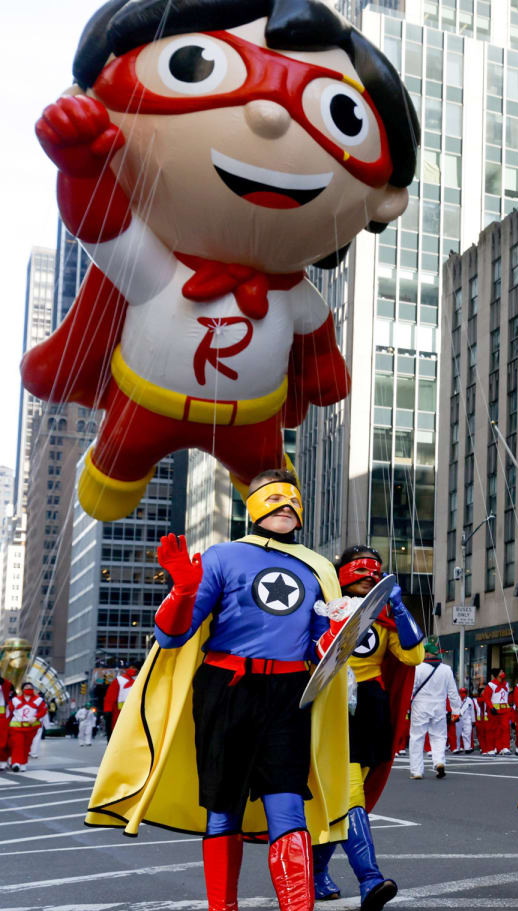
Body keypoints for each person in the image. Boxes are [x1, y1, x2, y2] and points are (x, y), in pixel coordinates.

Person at [26, 0, 417, 522]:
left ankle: (265, 501)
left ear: (386, 198)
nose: (270, 113)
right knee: (111, 480)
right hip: (146, 403)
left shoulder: (294, 296)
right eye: (193, 66)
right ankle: (116, 471)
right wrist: (80, 165)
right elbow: (101, 225)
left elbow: (320, 341)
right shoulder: (156, 270)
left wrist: (325, 369)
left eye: (338, 115)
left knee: (272, 491)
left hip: (254, 420)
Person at [86, 469, 350, 911]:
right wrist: (183, 590)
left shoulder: (317, 567)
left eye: (293, 500)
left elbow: (324, 650)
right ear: (252, 506)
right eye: (273, 498)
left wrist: (338, 629)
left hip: (289, 693)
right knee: (222, 806)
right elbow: (170, 637)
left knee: (288, 802)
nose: (286, 506)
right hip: (226, 689)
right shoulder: (223, 557)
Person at [310, 545, 423, 911]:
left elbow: (413, 656)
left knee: (345, 794)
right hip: (333, 705)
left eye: (374, 572)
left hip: (370, 709)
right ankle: (369, 879)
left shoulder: (383, 616)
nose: (368, 578)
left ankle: (316, 871)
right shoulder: (323, 608)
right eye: (360, 571)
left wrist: (399, 608)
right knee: (350, 793)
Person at [408, 645, 462, 779]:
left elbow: (411, 688)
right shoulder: (446, 670)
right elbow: (453, 692)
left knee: (417, 737)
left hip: (420, 705)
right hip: (439, 705)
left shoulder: (417, 668)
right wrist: (456, 710)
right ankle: (439, 762)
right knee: (439, 736)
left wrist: (407, 706)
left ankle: (417, 771)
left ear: (426, 654)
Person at [7, 682, 45, 771]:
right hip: (17, 727)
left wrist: (36, 717)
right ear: (22, 689)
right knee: (18, 744)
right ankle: (16, 763)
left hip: (31, 728)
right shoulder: (15, 700)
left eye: (30, 687)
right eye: (26, 687)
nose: (28, 688)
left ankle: (23, 763)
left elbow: (43, 710)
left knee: (26, 746)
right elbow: (10, 711)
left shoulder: (38, 700)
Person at [103, 665, 137, 736]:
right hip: (120, 713)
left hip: (131, 712)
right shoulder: (120, 680)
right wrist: (108, 710)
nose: (134, 670)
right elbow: (110, 697)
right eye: (132, 667)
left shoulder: (141, 680)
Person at [488, 669, 514, 755]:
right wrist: (491, 707)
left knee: (506, 728)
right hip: (495, 710)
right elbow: (486, 697)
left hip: (505, 710)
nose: (503, 673)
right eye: (501, 672)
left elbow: (508, 696)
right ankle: (493, 747)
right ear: (497, 674)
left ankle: (505, 747)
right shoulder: (491, 684)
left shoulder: (506, 684)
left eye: (503, 672)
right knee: (494, 729)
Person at [456, 688, 477, 753]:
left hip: (467, 718)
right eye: (462, 692)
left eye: (464, 692)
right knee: (457, 734)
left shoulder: (469, 700)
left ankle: (467, 748)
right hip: (458, 718)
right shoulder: (456, 699)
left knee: (467, 733)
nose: (463, 694)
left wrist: (473, 720)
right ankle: (457, 748)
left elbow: (472, 710)